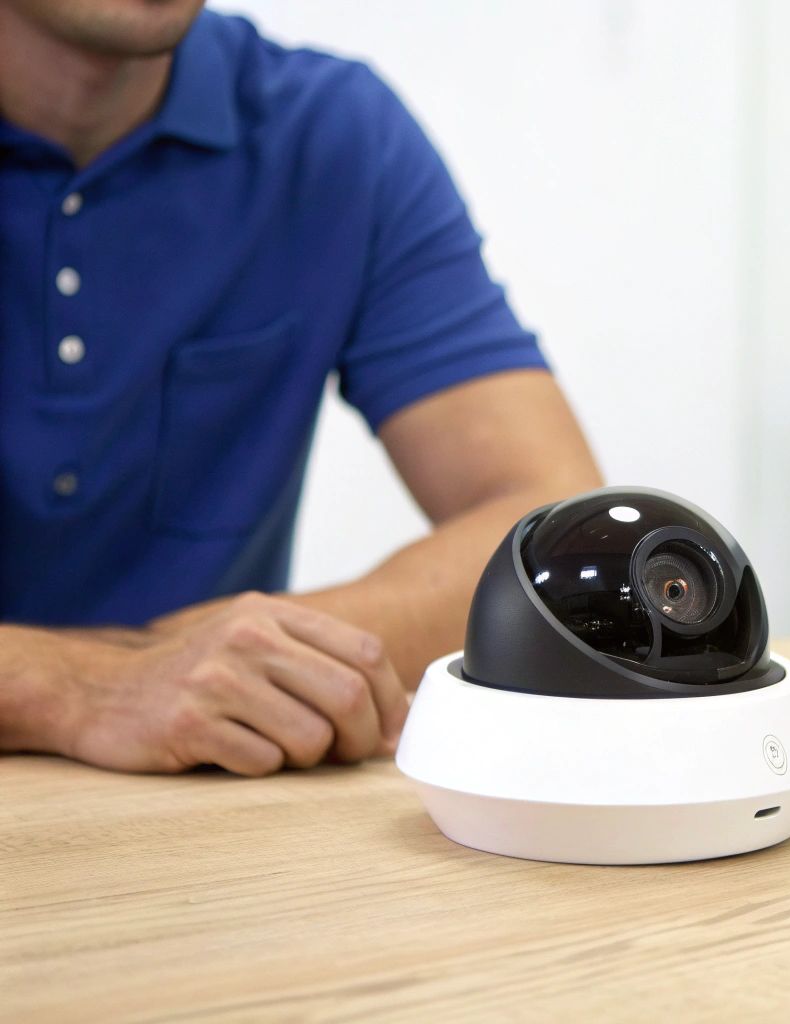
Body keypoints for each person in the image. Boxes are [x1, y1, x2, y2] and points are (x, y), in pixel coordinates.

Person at [0, 1, 603, 775]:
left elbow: (546, 529)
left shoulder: (331, 133)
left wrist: (222, 662)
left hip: (208, 804)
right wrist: (80, 685)